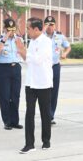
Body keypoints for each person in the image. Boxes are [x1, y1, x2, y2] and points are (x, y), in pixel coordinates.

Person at [17, 17, 53, 154]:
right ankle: (29, 144)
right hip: (30, 83)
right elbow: (28, 60)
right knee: (29, 113)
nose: (27, 30)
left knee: (45, 113)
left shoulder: (46, 42)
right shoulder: (31, 42)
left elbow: (37, 60)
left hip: (43, 83)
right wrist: (21, 52)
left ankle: (46, 141)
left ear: (36, 29)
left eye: (28, 28)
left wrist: (23, 51)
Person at [0, 18, 23, 130]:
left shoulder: (18, 39)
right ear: (4, 29)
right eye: (9, 29)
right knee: (5, 96)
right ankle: (7, 121)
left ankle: (15, 121)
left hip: (16, 68)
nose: (11, 32)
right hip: (3, 68)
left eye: (13, 29)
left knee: (15, 96)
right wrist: (4, 39)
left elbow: (23, 52)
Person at [44, 16, 71, 125]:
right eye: (47, 24)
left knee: (54, 92)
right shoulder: (40, 36)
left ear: (55, 25)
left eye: (51, 25)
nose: (49, 27)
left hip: (55, 66)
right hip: (44, 67)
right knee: (45, 91)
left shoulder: (60, 36)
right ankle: (45, 114)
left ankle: (50, 116)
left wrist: (65, 53)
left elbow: (68, 47)